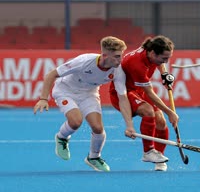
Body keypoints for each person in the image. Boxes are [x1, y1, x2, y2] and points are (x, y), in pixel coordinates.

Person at [33, 36, 133, 172]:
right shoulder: (84, 61)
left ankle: (94, 157)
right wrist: (43, 98)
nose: (120, 60)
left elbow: (123, 98)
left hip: (89, 94)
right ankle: (62, 137)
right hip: (65, 90)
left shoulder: (118, 70)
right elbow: (52, 74)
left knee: (98, 128)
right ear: (104, 55)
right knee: (75, 122)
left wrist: (130, 126)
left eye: (121, 56)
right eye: (116, 57)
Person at [109, 35, 179, 171]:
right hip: (122, 94)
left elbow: (160, 63)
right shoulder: (137, 65)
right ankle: (148, 152)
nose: (166, 61)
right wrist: (170, 112)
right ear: (153, 53)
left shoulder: (151, 47)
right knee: (148, 111)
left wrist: (164, 74)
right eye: (164, 58)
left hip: (137, 90)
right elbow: (150, 93)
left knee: (161, 121)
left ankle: (159, 158)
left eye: (168, 58)